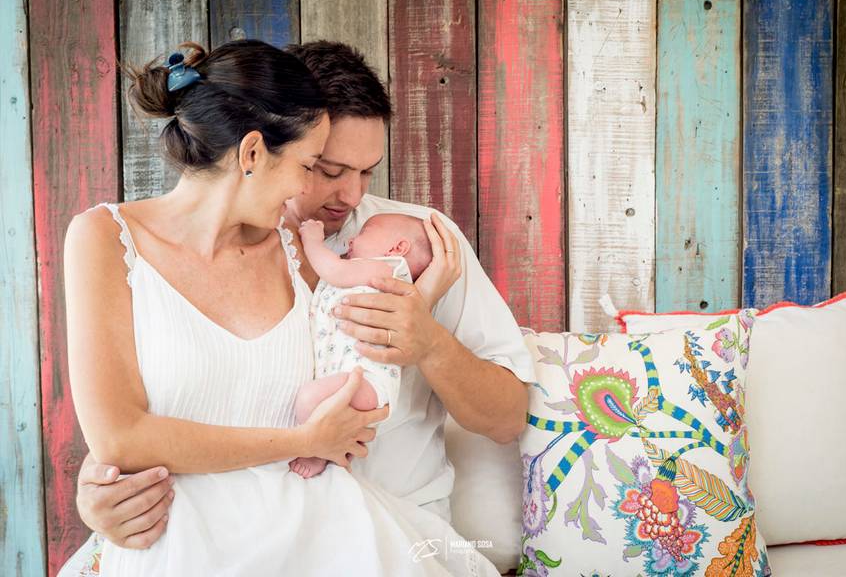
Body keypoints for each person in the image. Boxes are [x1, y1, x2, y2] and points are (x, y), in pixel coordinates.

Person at [61, 41, 534, 575]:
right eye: (322, 167)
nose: (351, 195)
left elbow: (506, 417)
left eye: (367, 172)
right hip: (211, 529)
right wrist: (105, 481)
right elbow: (158, 413)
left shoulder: (419, 245)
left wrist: (426, 335)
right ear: (254, 151)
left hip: (366, 523)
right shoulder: (252, 244)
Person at [290, 214, 433, 479]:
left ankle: (316, 453)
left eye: (365, 232)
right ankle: (334, 450)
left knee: (309, 399)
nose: (352, 239)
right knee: (317, 404)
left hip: (367, 380)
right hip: (354, 377)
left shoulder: (388, 269)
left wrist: (312, 241)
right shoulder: (369, 273)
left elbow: (334, 270)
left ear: (397, 248)